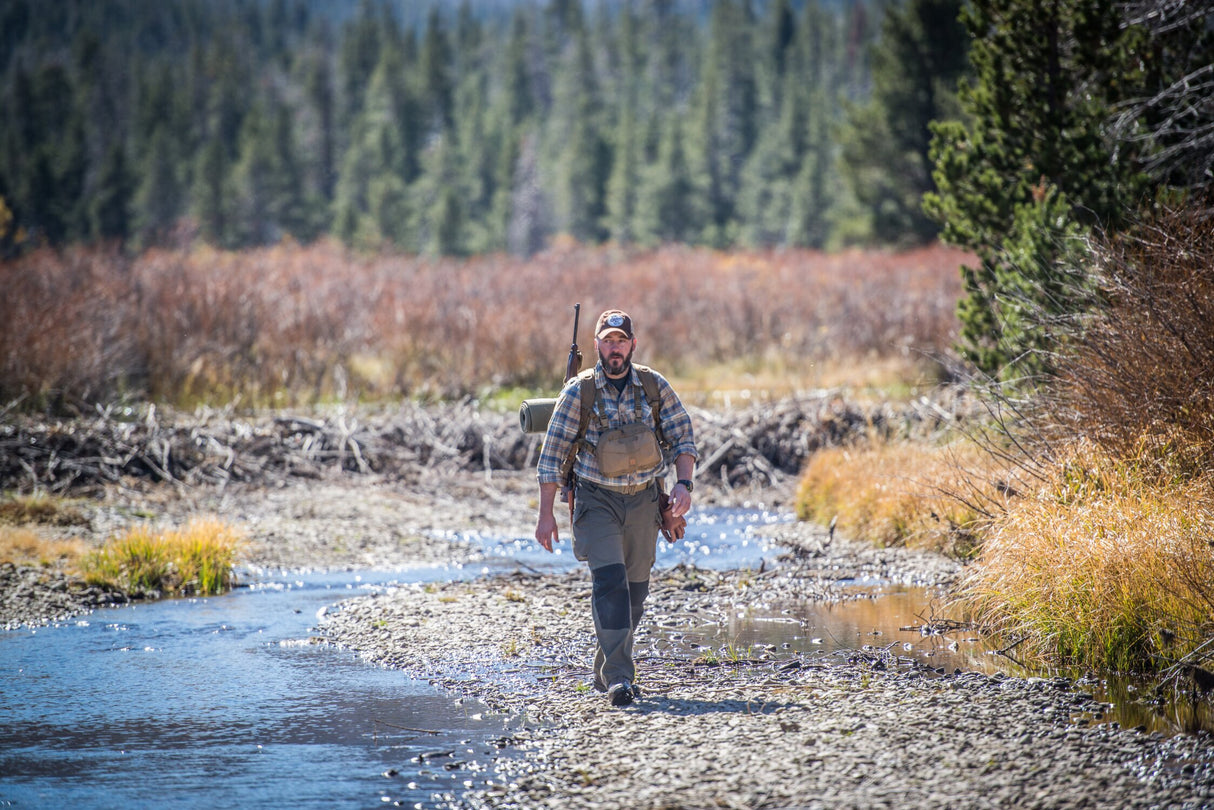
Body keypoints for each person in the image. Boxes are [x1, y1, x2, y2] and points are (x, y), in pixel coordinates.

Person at [534, 308, 697, 706]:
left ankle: (605, 668)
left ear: (632, 345)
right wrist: (546, 514)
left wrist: (683, 485)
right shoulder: (579, 392)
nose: (614, 349)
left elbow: (682, 437)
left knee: (635, 593)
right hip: (595, 500)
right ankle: (620, 679)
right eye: (607, 341)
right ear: (596, 346)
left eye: (621, 341)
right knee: (610, 586)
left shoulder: (653, 385)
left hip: (644, 500)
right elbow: (552, 455)